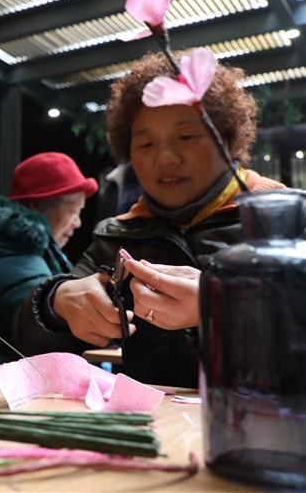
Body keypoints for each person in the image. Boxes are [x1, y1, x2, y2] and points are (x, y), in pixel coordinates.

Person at [14, 52, 284, 387]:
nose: (165, 158)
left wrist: (224, 305)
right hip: (152, 432)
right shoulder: (120, 235)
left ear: (229, 140)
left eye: (186, 136)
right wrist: (57, 303)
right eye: (145, 143)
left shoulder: (287, 222)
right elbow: (27, 341)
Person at [0, 152, 97, 366]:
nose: (77, 223)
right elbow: (38, 316)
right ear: (35, 206)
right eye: (73, 211)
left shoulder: (24, 244)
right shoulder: (6, 242)